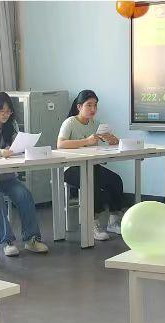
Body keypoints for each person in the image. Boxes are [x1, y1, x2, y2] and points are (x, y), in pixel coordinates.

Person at [0, 91, 49, 256]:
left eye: (8, 111)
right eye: (2, 111)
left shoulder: (10, 126)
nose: (6, 115)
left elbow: (17, 146)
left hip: (5, 176)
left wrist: (23, 148)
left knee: (24, 194)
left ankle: (32, 239)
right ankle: (7, 241)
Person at [58, 90, 125, 241]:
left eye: (95, 105)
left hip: (91, 165)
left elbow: (113, 142)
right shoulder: (70, 122)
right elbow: (60, 144)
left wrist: (113, 140)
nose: (93, 109)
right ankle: (92, 224)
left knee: (115, 180)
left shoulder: (96, 124)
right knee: (91, 180)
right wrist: (86, 141)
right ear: (79, 107)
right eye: (89, 105)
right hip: (71, 168)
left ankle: (113, 221)